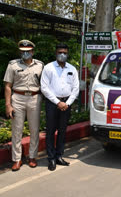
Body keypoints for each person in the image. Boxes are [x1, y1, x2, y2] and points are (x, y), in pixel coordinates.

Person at [3, 40, 43, 171]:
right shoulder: (13, 65)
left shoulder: (40, 65)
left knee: (34, 129)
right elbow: (8, 86)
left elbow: (45, 85)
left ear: (32, 51)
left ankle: (32, 156)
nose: (25, 53)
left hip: (34, 98)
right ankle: (17, 159)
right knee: (17, 130)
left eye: (28, 51)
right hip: (18, 98)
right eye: (23, 51)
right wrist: (8, 105)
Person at [40, 43, 79, 171]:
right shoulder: (48, 68)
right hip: (52, 103)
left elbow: (76, 88)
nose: (62, 55)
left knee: (62, 131)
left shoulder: (72, 69)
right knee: (50, 131)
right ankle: (51, 158)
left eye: (65, 53)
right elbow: (44, 88)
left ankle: (59, 156)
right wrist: (57, 102)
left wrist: (67, 103)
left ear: (68, 54)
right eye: (60, 52)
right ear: (56, 53)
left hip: (66, 104)